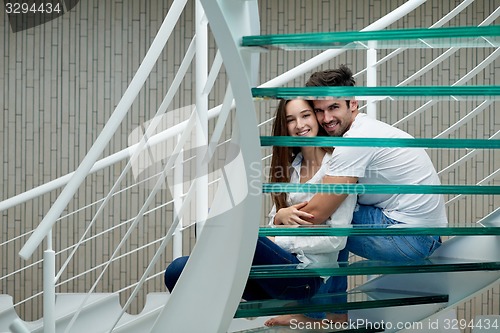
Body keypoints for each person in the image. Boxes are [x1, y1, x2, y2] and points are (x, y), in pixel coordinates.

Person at [269, 64, 447, 326]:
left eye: (333, 108)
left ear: (353, 103)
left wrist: (278, 224)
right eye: (319, 110)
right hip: (417, 232)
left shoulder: (355, 141)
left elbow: (316, 214)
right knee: (336, 213)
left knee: (332, 219)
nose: (326, 118)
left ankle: (321, 313)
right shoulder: (363, 131)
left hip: (411, 237)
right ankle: (331, 312)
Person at [163, 99, 356, 323]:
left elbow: (337, 241)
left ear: (316, 118)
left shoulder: (338, 167)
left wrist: (278, 239)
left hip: (303, 277)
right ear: (284, 127)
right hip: (271, 274)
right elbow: (274, 226)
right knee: (177, 270)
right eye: (290, 120)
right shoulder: (290, 168)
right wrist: (278, 217)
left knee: (218, 222)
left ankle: (224, 289)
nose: (299, 124)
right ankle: (220, 295)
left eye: (305, 115)